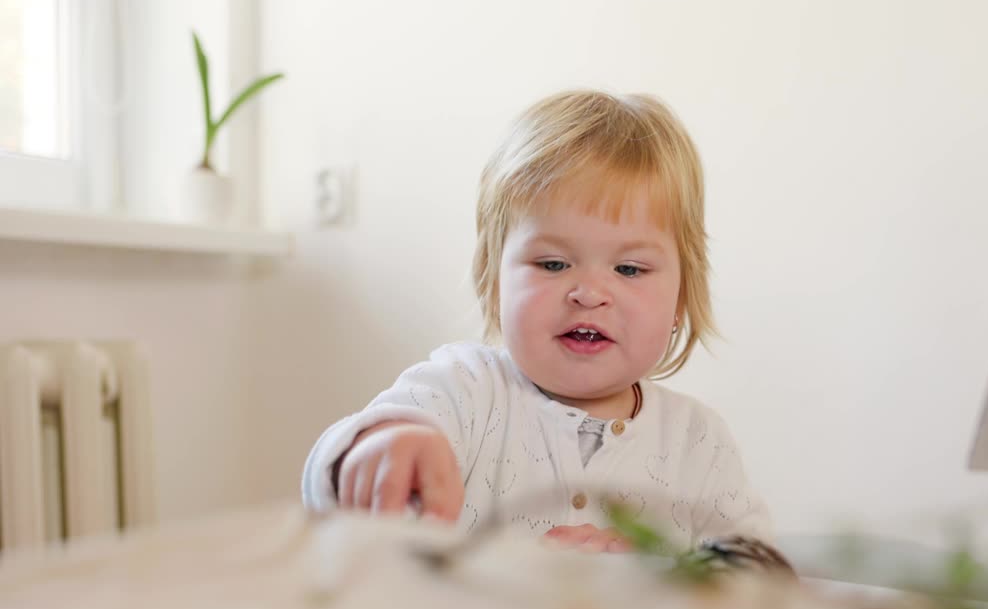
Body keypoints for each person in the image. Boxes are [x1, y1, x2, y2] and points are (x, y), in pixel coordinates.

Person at [301, 89, 771, 553]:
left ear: (681, 298)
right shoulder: (464, 390)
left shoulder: (698, 443)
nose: (588, 293)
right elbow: (338, 485)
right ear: (494, 281)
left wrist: (659, 583)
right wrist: (381, 445)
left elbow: (761, 582)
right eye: (552, 264)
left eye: (629, 269)